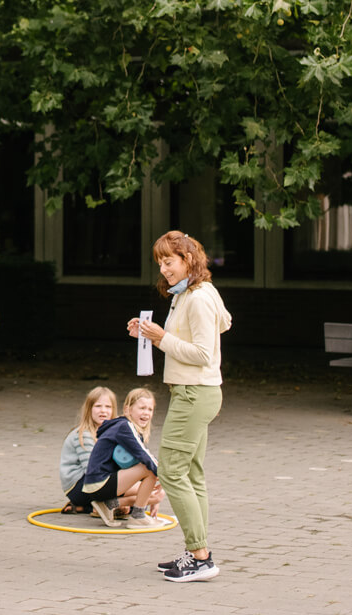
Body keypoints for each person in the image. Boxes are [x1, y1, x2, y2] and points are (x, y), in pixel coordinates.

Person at [129, 230, 232, 583]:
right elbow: (226, 321)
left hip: (194, 394)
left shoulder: (198, 297)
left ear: (187, 259)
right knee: (193, 474)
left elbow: (203, 354)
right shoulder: (193, 292)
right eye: (160, 262)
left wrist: (161, 338)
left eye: (168, 261)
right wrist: (151, 333)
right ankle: (197, 553)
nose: (164, 268)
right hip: (196, 393)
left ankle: (201, 557)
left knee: (172, 472)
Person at [79, 388, 165, 530]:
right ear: (128, 409)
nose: (146, 413)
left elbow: (145, 456)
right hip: (99, 482)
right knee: (148, 469)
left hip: (101, 483)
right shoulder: (124, 426)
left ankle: (109, 504)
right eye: (142, 408)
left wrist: (158, 478)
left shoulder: (128, 428)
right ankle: (138, 516)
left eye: (150, 409)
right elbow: (145, 457)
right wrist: (162, 476)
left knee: (156, 492)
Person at [58, 386, 118, 516]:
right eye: (98, 406)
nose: (103, 411)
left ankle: (87, 508)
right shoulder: (84, 434)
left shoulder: (111, 433)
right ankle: (104, 506)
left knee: (131, 481)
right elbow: (92, 471)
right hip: (78, 488)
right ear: (89, 409)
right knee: (124, 482)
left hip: (94, 482)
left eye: (108, 407)